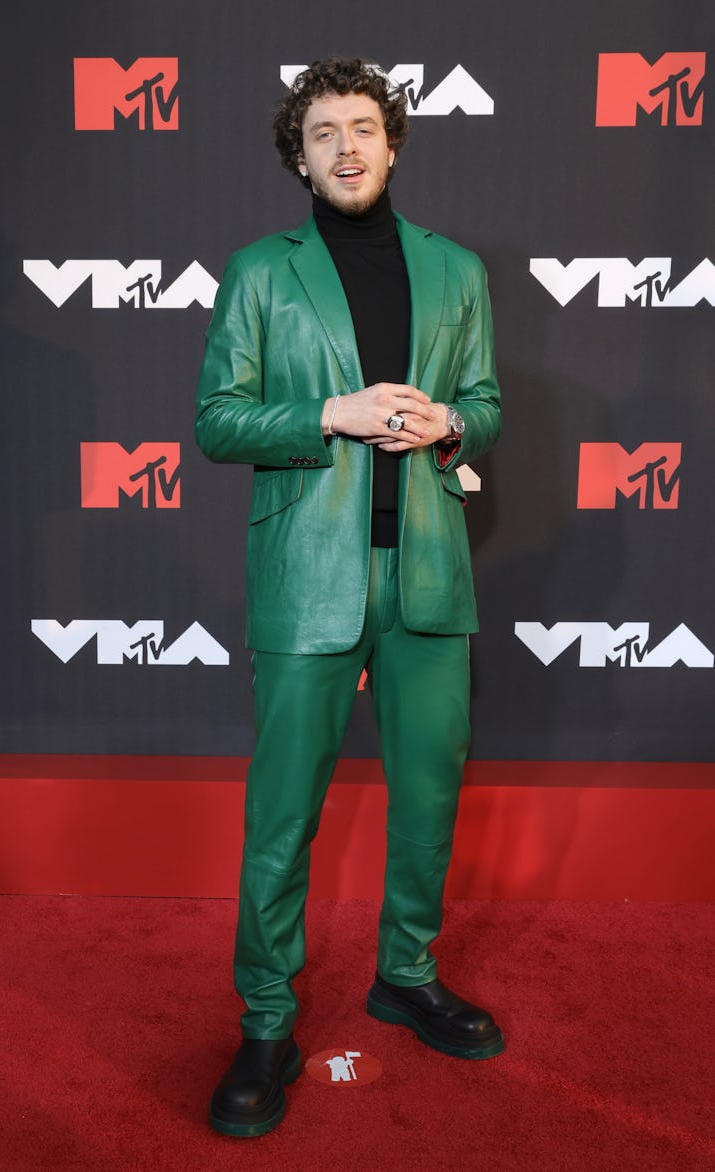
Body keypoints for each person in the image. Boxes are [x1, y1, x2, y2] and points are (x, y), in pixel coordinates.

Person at [195, 55, 503, 1138]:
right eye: (322, 131)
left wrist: (452, 425)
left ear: (394, 141)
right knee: (283, 814)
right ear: (299, 154)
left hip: (428, 573)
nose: (346, 146)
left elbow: (489, 400)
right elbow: (218, 419)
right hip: (307, 577)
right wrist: (328, 411)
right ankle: (268, 1017)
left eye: (363, 126)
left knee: (427, 798)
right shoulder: (260, 272)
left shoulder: (457, 268)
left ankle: (405, 974)